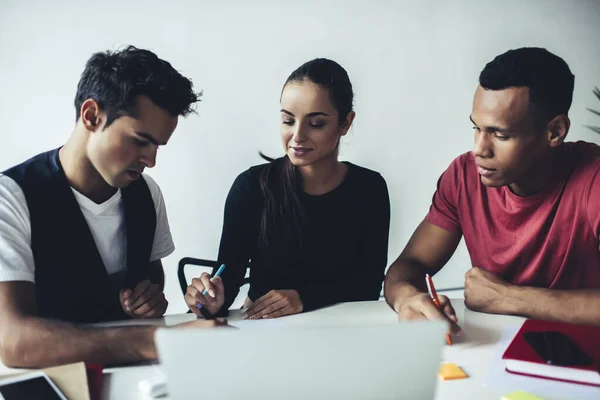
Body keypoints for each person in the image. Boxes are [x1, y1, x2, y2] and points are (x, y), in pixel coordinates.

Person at [0, 46, 223, 369]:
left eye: (158, 146)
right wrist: (157, 341)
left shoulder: (147, 193)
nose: (151, 160)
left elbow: (151, 279)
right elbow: (13, 340)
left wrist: (148, 300)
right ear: (91, 116)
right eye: (140, 140)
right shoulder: (11, 198)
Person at [384, 47, 600, 329]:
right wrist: (408, 298)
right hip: (491, 352)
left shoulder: (593, 178)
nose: (479, 150)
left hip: (579, 359)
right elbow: (410, 263)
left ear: (555, 131)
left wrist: (510, 298)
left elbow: (505, 299)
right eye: (477, 128)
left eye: (500, 134)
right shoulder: (463, 176)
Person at [185, 58, 391, 319]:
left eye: (315, 123)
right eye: (288, 120)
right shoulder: (251, 187)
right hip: (265, 331)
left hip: (341, 329)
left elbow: (369, 285)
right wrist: (209, 299)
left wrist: (304, 297)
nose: (297, 136)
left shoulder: (369, 189)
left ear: (345, 123)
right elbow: (229, 276)